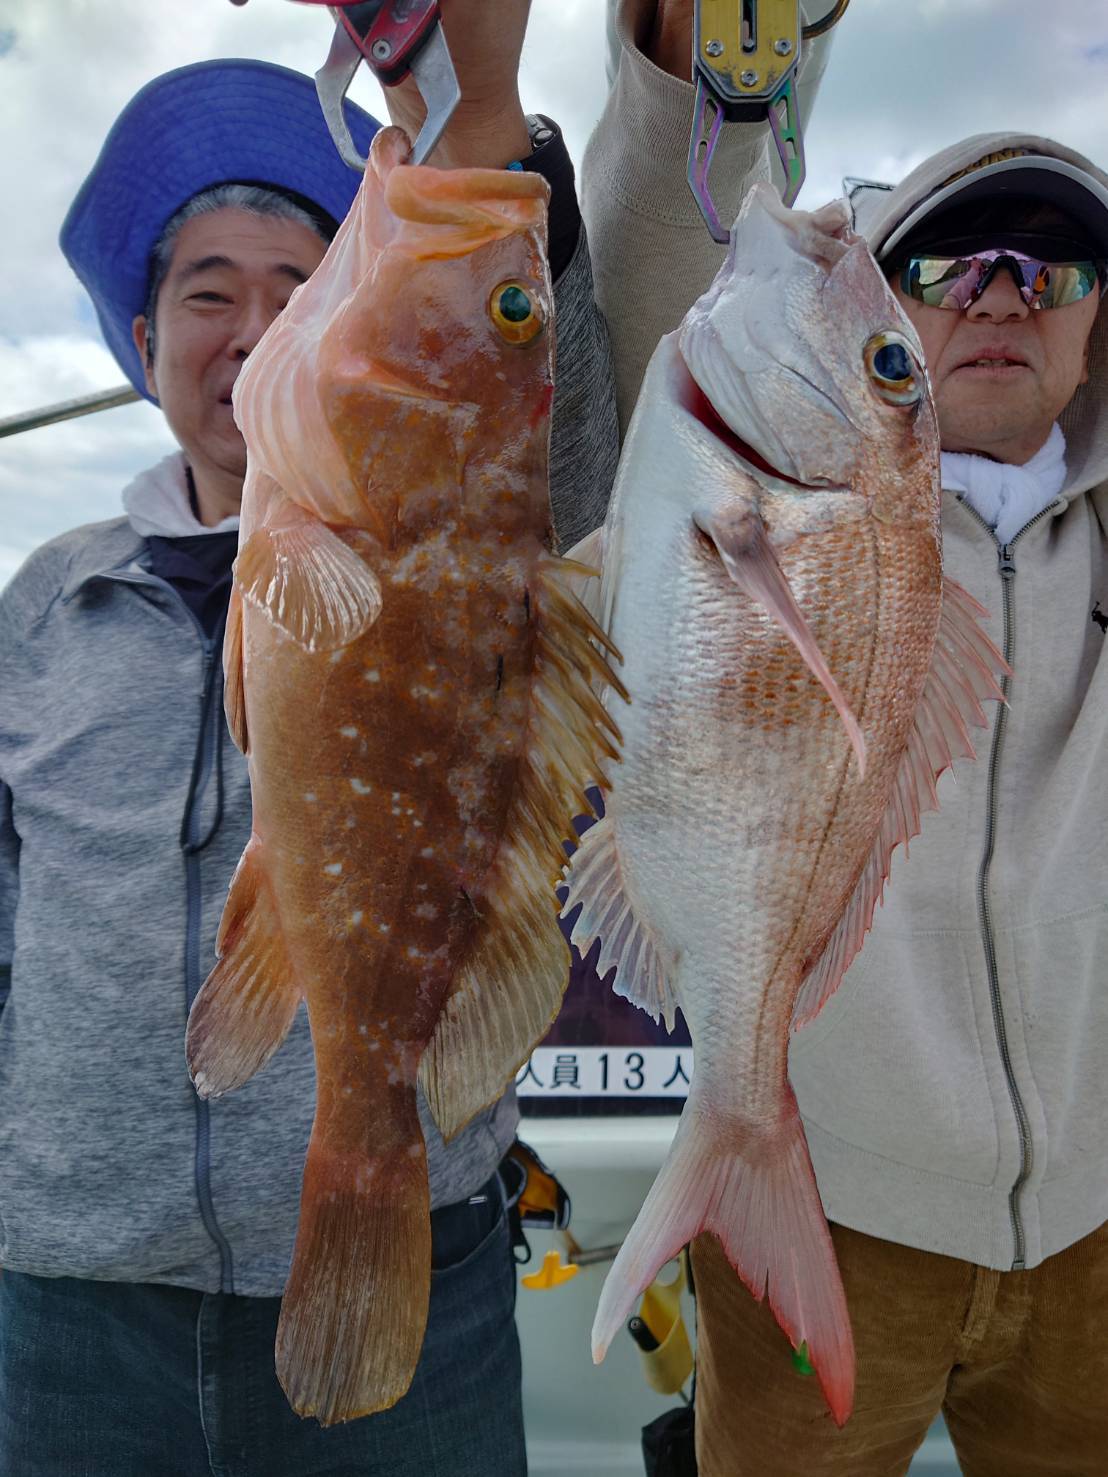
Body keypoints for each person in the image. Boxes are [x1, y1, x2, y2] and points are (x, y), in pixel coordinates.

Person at [0, 6, 618, 1472]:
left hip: (431, 1257)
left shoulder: (492, 518)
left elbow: (559, 408)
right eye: (210, 292)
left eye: (302, 281)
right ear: (141, 340)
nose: (259, 322)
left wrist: (470, 104)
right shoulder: (41, 606)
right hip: (69, 1302)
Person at [583, 3, 1108, 1472]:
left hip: (1098, 1220)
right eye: (942, 269)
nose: (1000, 298)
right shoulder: (736, 452)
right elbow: (671, 247)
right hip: (840, 1198)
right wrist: (722, 73)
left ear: (1098, 326)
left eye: (1055, 269)